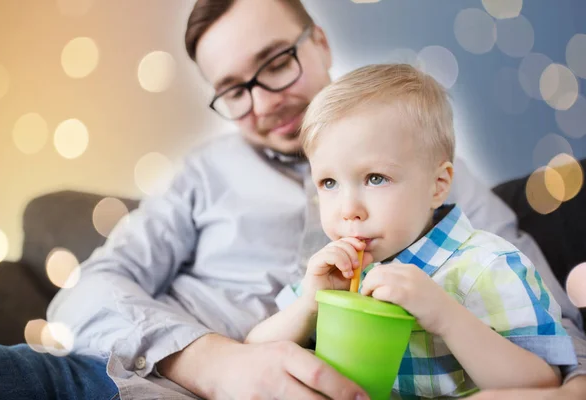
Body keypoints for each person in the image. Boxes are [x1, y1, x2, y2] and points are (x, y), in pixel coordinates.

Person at [0, 0, 584, 399]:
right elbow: (87, 290)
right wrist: (215, 365)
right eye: (233, 91)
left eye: (275, 62)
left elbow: (554, 332)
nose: (264, 101)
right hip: (135, 378)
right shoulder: (203, 173)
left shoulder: (435, 175)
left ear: (319, 42)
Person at [245, 63, 577, 397]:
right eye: (329, 183)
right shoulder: (338, 273)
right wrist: (310, 305)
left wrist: (446, 317)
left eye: (376, 178)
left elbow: (542, 383)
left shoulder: (488, 267)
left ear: (438, 185)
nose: (348, 210)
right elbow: (252, 354)